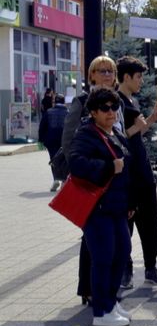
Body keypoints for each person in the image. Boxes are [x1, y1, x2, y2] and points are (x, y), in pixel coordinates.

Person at [69, 88, 135, 326]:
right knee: (104, 257)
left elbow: (126, 170)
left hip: (117, 207)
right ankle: (101, 311)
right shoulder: (86, 134)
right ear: (94, 112)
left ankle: (111, 302)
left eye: (114, 107)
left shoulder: (113, 134)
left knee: (121, 252)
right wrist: (108, 167)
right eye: (105, 108)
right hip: (97, 209)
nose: (111, 112)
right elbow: (76, 163)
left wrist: (130, 203)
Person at [61, 56, 122, 306]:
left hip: (115, 186)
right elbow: (70, 141)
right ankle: (89, 289)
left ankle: (108, 292)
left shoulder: (119, 102)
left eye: (110, 70)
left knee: (116, 245)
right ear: (92, 75)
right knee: (93, 243)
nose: (107, 74)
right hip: (93, 183)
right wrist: (80, 174)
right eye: (101, 71)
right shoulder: (82, 102)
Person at [116, 55, 157, 289]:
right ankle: (125, 268)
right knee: (127, 223)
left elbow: (135, 135)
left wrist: (153, 120)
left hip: (142, 172)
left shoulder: (132, 101)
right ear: (126, 77)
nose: (141, 81)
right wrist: (138, 126)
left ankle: (150, 267)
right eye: (138, 77)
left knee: (150, 222)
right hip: (128, 174)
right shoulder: (115, 102)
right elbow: (116, 137)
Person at [39, 93, 68, 191]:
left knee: (54, 159)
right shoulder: (68, 112)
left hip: (51, 140)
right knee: (64, 160)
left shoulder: (48, 112)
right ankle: (64, 180)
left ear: (54, 102)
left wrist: (41, 140)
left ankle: (56, 179)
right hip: (64, 139)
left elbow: (42, 126)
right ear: (64, 102)